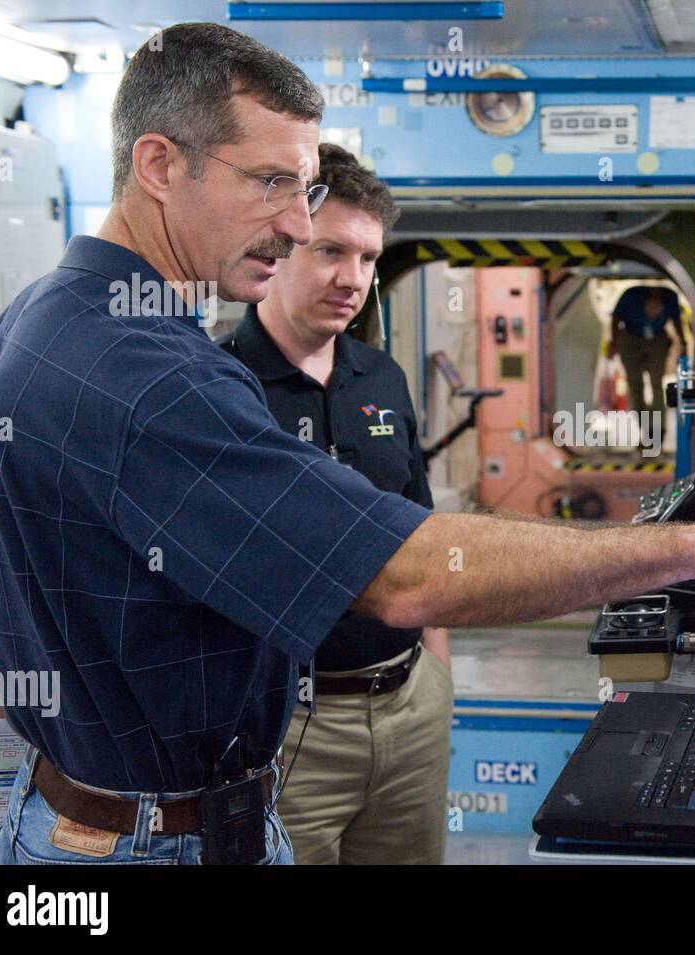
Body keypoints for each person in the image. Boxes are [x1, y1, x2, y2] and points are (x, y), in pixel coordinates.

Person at [0, 22, 695, 866]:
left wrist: (59, 750)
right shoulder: (153, 375)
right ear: (159, 165)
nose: (294, 221)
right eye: (269, 182)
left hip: (90, 815)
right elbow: (406, 572)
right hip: (151, 841)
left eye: (307, 187)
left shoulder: (29, 323)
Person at [219, 143, 451, 864]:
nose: (353, 279)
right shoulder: (219, 385)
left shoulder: (383, 376)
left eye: (370, 259)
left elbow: (423, 529)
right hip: (288, 727)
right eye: (331, 251)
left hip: (408, 705)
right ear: (283, 242)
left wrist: (437, 677)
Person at [608, 284, 690, 449]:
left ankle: (658, 430)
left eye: (658, 313)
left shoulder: (670, 298)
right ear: (644, 303)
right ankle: (646, 429)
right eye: (651, 312)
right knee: (635, 383)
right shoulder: (630, 296)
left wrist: (682, 341)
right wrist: (613, 342)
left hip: (657, 340)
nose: (653, 316)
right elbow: (616, 318)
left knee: (656, 382)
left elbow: (676, 321)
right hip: (631, 339)